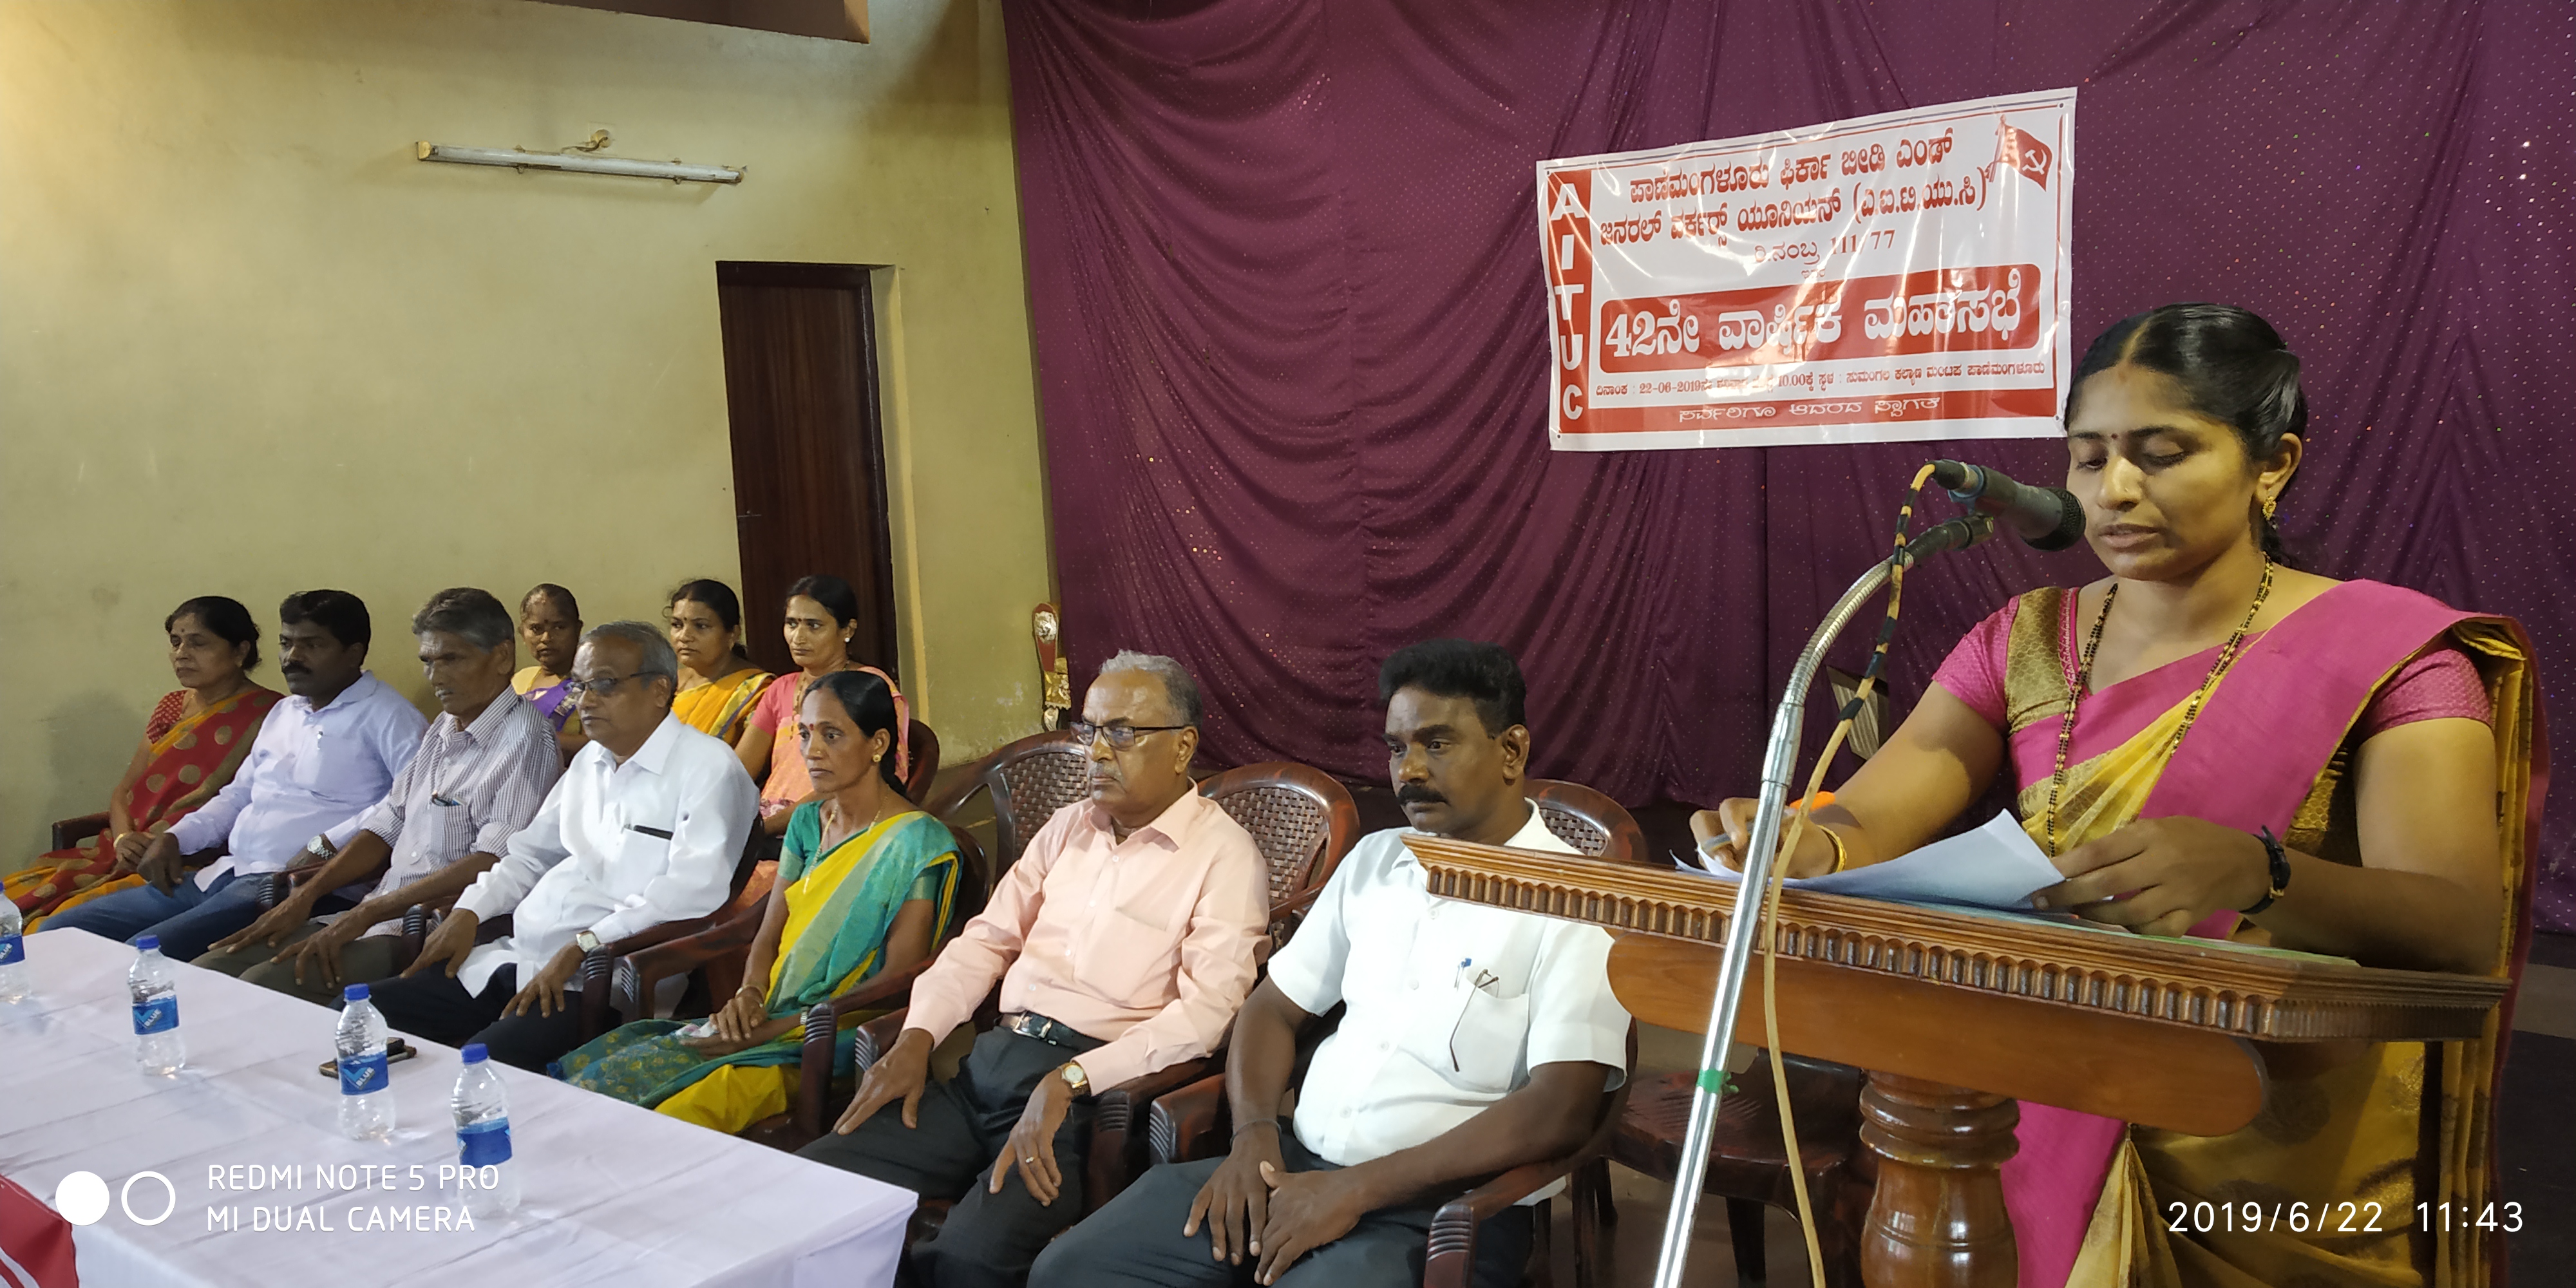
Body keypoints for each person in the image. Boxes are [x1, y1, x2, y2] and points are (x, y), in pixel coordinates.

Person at [1689, 305, 2541, 1288]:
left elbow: (2457, 926)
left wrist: (2259, 874)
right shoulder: (2024, 638)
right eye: (2089, 459)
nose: (2115, 490)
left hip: (2277, 1163)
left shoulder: (2395, 658)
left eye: (2161, 454)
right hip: (2040, 1111)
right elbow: (1874, 812)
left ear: (2274, 464)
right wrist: (1810, 846)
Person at [1035, 641, 1629, 1288]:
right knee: (1070, 1270)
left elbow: (1559, 1109)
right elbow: (1272, 1007)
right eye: (1397, 748)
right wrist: (1253, 1135)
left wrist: (1356, 1189)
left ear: (1511, 751)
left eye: (1437, 744)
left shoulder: (1579, 902)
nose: (1409, 770)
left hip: (1436, 1213)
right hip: (1289, 1168)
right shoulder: (1378, 860)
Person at [799, 652, 1268, 1288]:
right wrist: (917, 1036)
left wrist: (1072, 1078)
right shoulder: (1069, 827)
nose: (1097, 751)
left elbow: (1207, 1014)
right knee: (812, 1186)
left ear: (1183, 746)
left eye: (1122, 732)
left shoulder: (1223, 856)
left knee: (967, 1257)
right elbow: (984, 942)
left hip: (1085, 1099)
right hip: (982, 1069)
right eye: (1089, 729)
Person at [558, 669, 958, 1133]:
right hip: (771, 1013)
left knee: (676, 1116)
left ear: (878, 744)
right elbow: (769, 933)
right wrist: (748, 996)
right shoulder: (810, 822)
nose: (812, 751)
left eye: (832, 735)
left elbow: (894, 982)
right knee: (605, 1077)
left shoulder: (917, 843)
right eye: (804, 734)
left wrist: (775, 1030)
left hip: (836, 1035)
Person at [366, 621, 758, 1072]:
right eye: (580, 685)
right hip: (514, 958)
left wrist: (584, 946)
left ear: (658, 690)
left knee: (479, 1069)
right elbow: (530, 855)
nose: (585, 701)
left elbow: (692, 895)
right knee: (361, 1016)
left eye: (605, 685)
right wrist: (470, 911)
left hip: (598, 982)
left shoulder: (709, 769)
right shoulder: (590, 760)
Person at [195, 589, 561, 1003]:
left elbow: (494, 859)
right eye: (428, 661)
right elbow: (387, 823)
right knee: (209, 971)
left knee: (261, 987)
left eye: (451, 659)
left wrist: (370, 912)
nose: (435, 677)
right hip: (374, 911)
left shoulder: (525, 740)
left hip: (426, 927)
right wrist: (308, 897)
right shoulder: (445, 727)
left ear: (502, 657)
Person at [39, 591, 427, 961]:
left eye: (312, 645)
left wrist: (327, 844)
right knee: (58, 932)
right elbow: (238, 794)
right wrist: (177, 837)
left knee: (141, 956)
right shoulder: (285, 712)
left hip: (292, 884)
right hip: (224, 872)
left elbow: (408, 802)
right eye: (286, 643)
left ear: (353, 653)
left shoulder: (389, 717)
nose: (293, 657)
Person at [8, 597, 281, 929]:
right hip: (122, 850)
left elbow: (253, 804)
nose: (182, 654)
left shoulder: (274, 715)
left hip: (193, 858)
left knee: (55, 925)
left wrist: (167, 842)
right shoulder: (172, 707)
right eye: (176, 642)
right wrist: (124, 839)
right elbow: (124, 791)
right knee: (14, 904)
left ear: (240, 651)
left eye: (198, 643)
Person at [737, 574, 907, 835]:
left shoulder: (866, 686)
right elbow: (737, 774)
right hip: (768, 825)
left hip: (833, 826)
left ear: (848, 630)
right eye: (792, 624)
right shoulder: (780, 689)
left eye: (813, 626)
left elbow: (864, 779)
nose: (798, 637)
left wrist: (764, 831)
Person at [665, 578, 773, 744]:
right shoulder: (666, 683)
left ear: (733, 634)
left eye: (701, 626)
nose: (684, 637)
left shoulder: (755, 690)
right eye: (677, 625)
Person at [511, 583, 586, 759]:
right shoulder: (518, 680)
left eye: (559, 627)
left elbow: (599, 745)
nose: (546, 638)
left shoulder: (591, 684)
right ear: (522, 633)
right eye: (536, 629)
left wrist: (529, 737)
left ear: (577, 630)